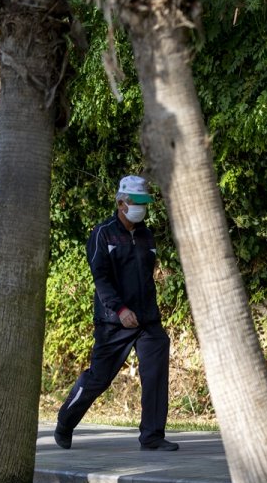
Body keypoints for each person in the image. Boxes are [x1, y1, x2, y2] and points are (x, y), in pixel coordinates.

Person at [54, 175, 179, 451]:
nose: (142, 208)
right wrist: (120, 310)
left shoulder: (146, 235)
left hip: (147, 320)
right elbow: (101, 279)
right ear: (121, 202)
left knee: (156, 373)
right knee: (99, 378)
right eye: (137, 202)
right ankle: (65, 421)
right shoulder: (103, 233)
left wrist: (147, 312)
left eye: (145, 202)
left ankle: (152, 436)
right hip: (114, 321)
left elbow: (146, 277)